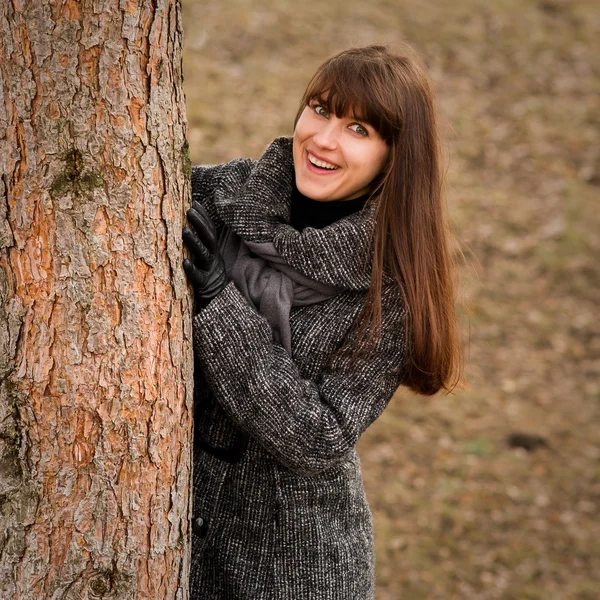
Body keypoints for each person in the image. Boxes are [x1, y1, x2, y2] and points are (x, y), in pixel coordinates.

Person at [182, 44, 462, 599]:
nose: (325, 139)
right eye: (320, 109)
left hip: (296, 564)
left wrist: (218, 304)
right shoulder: (215, 198)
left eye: (359, 129)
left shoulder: (391, 293)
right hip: (170, 531)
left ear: (395, 156)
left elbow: (319, 437)